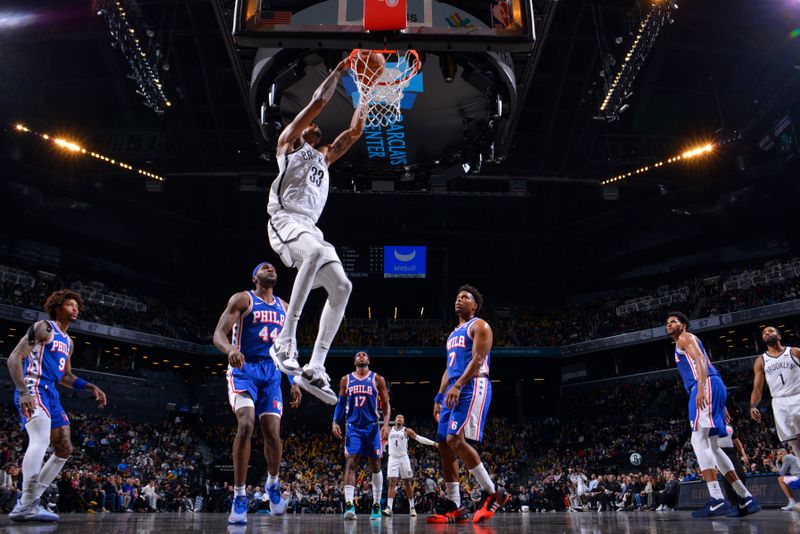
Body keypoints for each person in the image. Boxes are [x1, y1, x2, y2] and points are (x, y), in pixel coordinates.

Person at [266, 56, 367, 405]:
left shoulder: (323, 160)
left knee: (342, 286)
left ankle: (315, 368)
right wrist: (339, 72)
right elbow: (319, 103)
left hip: (310, 227)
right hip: (284, 219)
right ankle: (285, 339)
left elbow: (354, 133)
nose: (317, 129)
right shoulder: (289, 143)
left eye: (319, 131)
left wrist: (365, 90)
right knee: (312, 252)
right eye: (313, 128)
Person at [212, 263, 303, 525]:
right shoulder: (243, 298)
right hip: (244, 368)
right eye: (264, 267)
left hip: (272, 373)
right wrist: (230, 350)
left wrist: (293, 379)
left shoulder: (284, 307)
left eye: (273, 267)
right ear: (255, 277)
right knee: (246, 424)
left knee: (273, 433)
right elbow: (218, 333)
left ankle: (272, 484)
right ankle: (239, 495)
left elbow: (287, 350)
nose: (270, 268)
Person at [6, 289, 107, 522]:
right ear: (58, 306)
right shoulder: (44, 328)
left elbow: (66, 376)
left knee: (64, 448)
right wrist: (23, 392)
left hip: (51, 392)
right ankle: (27, 503)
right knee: (40, 438)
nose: (75, 309)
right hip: (33, 386)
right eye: (70, 304)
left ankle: (29, 502)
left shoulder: (68, 342)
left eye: (77, 306)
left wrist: (90, 386)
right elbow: (14, 358)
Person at [665, 311, 760, 518]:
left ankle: (717, 498)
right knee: (715, 447)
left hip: (704, 384)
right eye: (667, 322)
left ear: (684, 325)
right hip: (714, 385)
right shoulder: (683, 341)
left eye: (674, 321)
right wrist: (718, 401)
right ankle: (745, 497)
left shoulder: (685, 338)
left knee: (698, 440)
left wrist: (700, 388)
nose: (669, 324)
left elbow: (700, 360)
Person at [429, 285, 508, 524]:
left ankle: (493, 493)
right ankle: (455, 504)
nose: (459, 299)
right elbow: (448, 369)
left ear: (475, 305)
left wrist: (458, 386)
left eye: (465, 297)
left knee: (455, 439)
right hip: (454, 388)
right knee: (443, 444)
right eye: (457, 297)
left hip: (473, 384)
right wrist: (439, 397)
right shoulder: (453, 334)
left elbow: (479, 359)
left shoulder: (480, 326)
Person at [332, 351, 391, 521]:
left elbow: (386, 404)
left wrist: (386, 425)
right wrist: (335, 421)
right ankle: (349, 504)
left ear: (369, 360)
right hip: (353, 427)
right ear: (354, 361)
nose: (361, 355)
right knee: (351, 462)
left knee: (376, 465)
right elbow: (340, 403)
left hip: (372, 427)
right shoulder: (346, 380)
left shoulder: (377, 379)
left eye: (364, 355)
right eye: (358, 355)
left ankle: (376, 504)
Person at [749, 326, 800, 457]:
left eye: (770, 331)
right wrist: (753, 406)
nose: (766, 333)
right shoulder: (761, 361)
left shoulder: (794, 352)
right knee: (793, 442)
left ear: (779, 336)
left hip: (797, 396)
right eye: (764, 333)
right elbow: (757, 388)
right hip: (779, 402)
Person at [382, 414, 436, 517]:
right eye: (398, 417)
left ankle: (412, 508)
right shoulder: (389, 429)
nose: (399, 418)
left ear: (403, 422)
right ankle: (389, 508)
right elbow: (382, 440)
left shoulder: (407, 431)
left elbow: (420, 439)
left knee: (407, 483)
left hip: (403, 458)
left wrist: (434, 443)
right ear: (395, 420)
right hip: (392, 458)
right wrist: (382, 448)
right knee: (392, 482)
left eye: (402, 418)